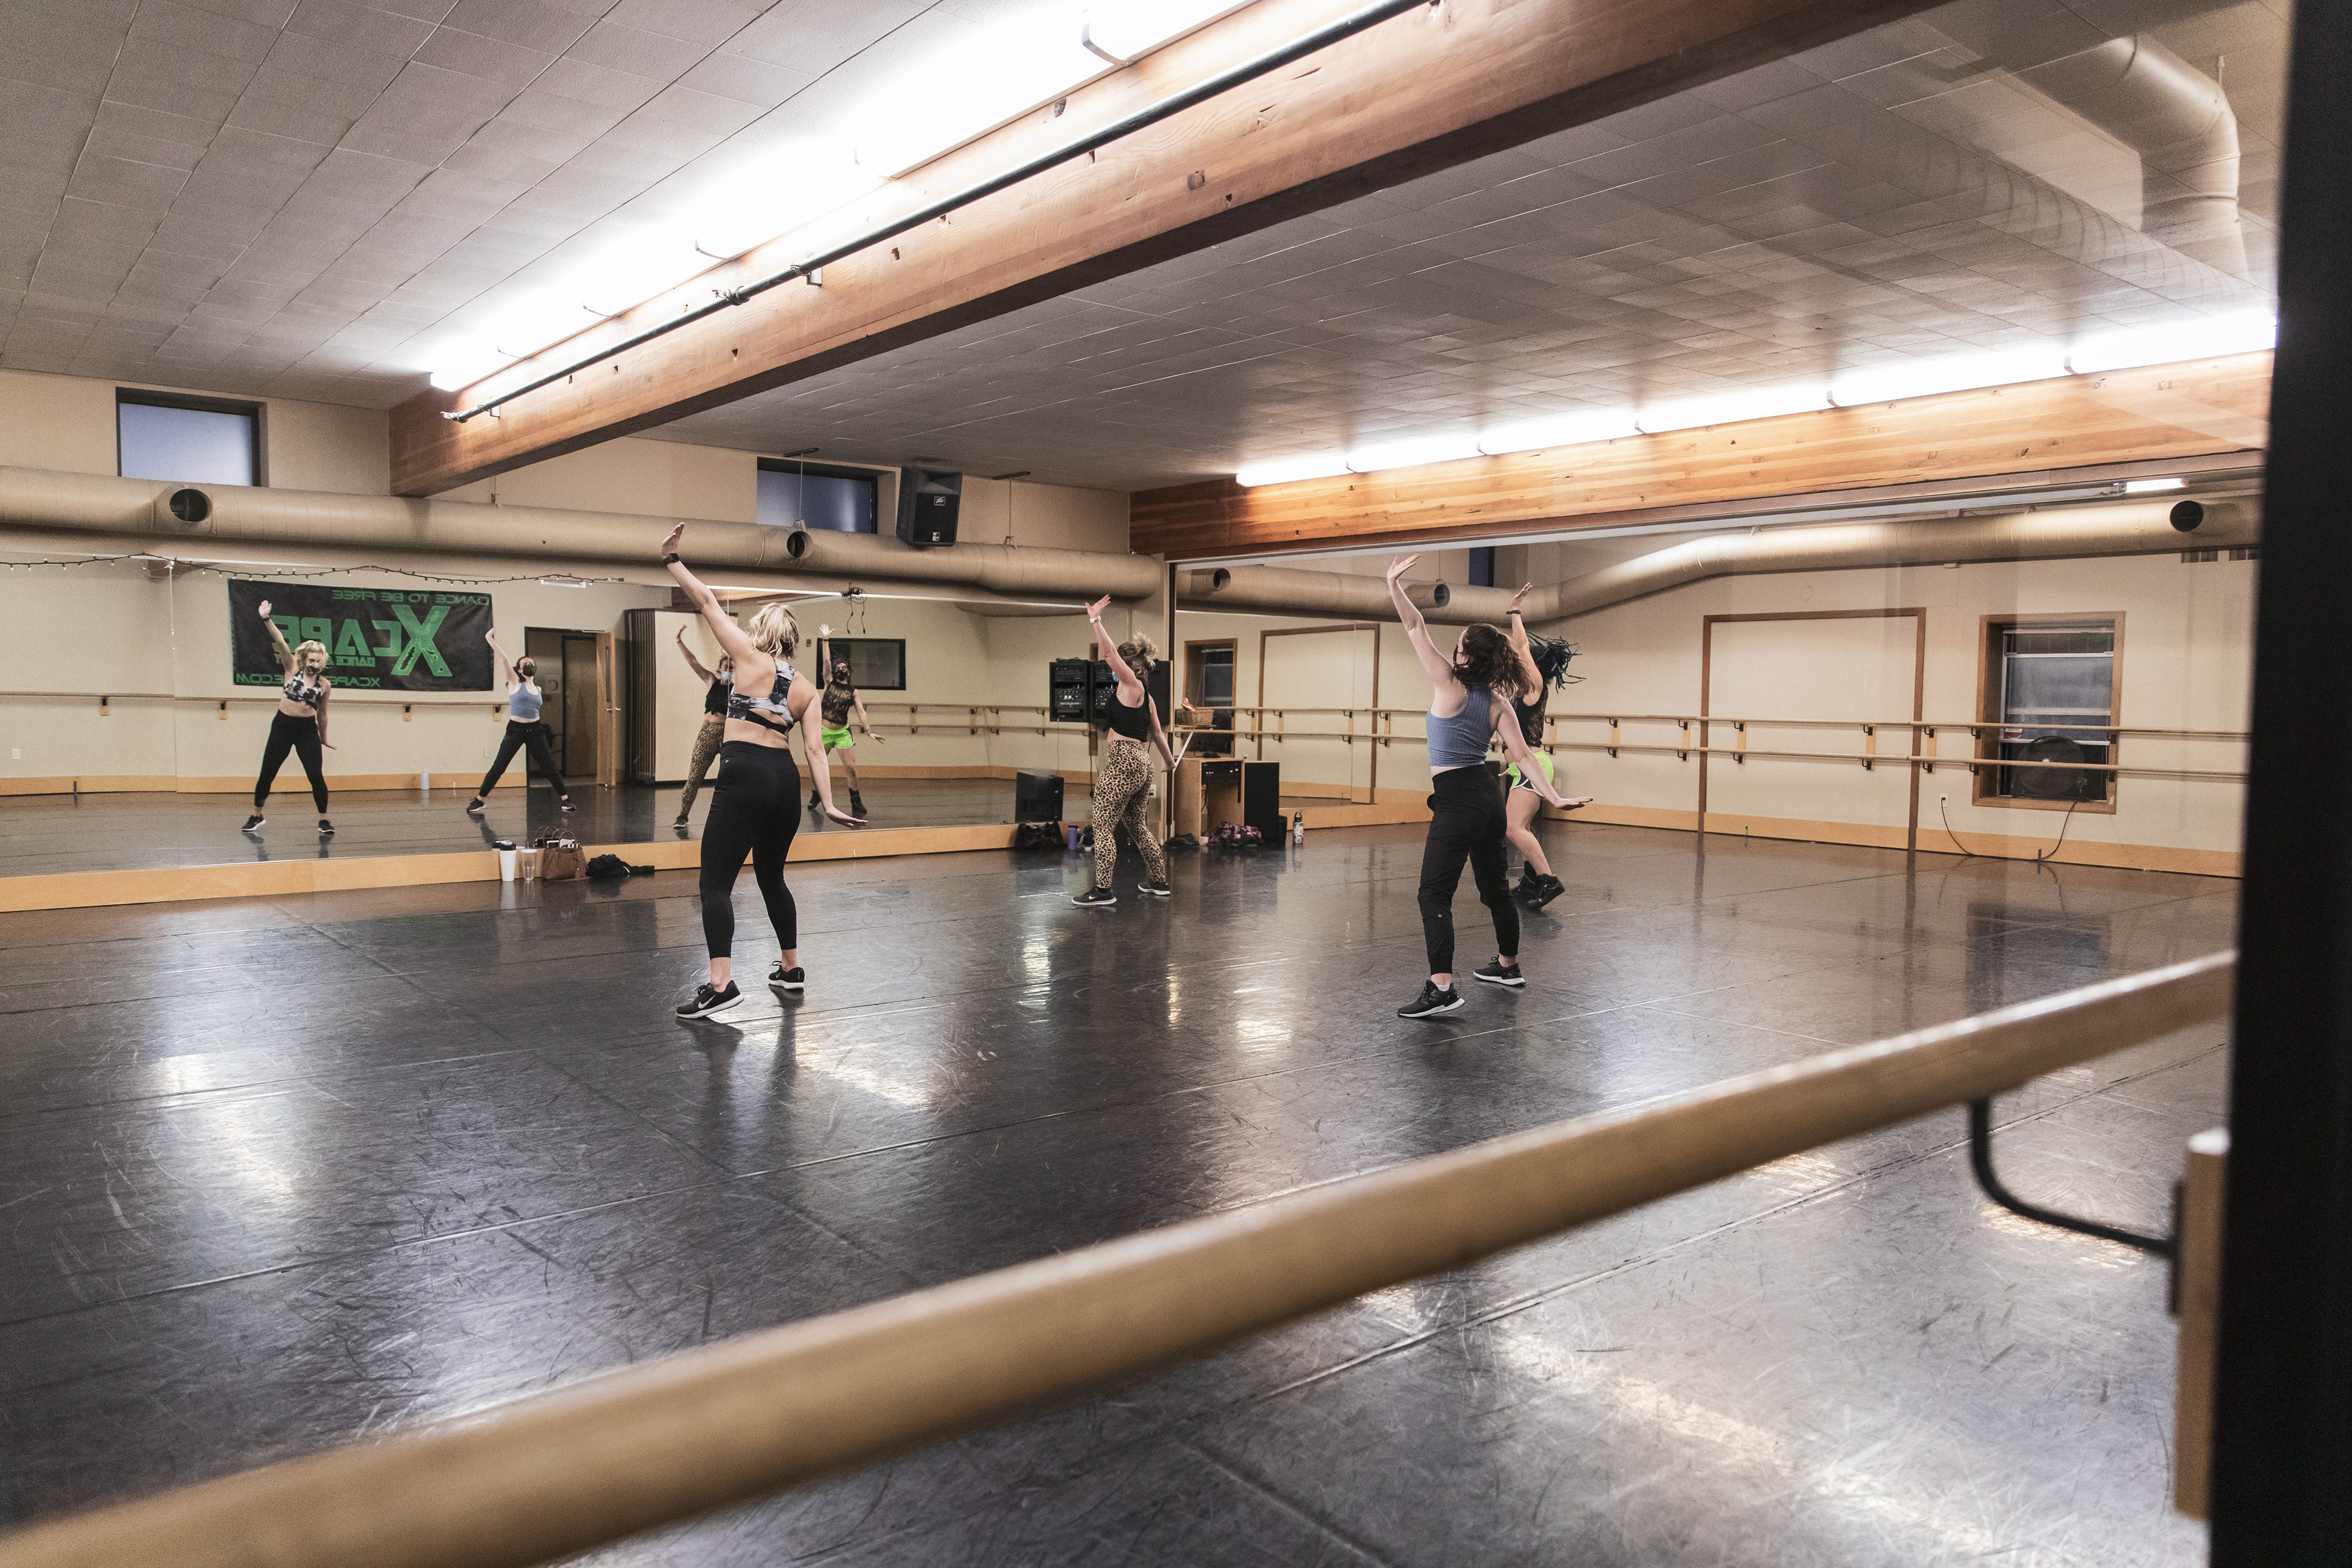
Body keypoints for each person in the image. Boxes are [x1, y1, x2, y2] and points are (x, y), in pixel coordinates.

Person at [662, 524, 862, 1019]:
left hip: (745, 774)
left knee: (715, 884)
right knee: (773, 878)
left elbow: (707, 601)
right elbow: (815, 750)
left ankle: (721, 984)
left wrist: (672, 560)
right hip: (784, 781)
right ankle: (791, 969)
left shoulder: (747, 657)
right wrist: (831, 804)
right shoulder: (808, 689)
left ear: (761, 635)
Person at [1386, 556, 1574, 1019]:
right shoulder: (1497, 702)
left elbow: (1414, 626)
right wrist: (1554, 797)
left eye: (1459, 645)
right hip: (1489, 796)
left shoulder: (1447, 684)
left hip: (1458, 800)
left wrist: (1393, 584)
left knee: (1434, 893)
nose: (1453, 649)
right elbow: (1525, 758)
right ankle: (1508, 965)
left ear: (1467, 655)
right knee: (1494, 889)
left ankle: (1442, 986)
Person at [1071, 598, 1174, 907]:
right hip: (1142, 764)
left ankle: (1103, 890)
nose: (1110, 667)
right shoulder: (1148, 697)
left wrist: (1096, 621)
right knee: (1137, 825)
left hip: (1124, 763)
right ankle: (1159, 882)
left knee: (1102, 824)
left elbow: (1108, 652)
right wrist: (1170, 764)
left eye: (1116, 664)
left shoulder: (1131, 683)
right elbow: (1157, 733)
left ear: (1128, 665)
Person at [1502, 583, 1593, 908]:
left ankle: (1548, 881)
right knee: (1522, 826)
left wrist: (1515, 611)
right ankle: (1529, 882)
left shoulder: (1534, 687)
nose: (1517, 660)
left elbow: (1522, 645)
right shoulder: (1520, 691)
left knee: (1513, 828)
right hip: (1524, 766)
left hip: (1534, 765)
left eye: (1522, 660)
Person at [243, 598, 336, 837]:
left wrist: (323, 738)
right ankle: (257, 815)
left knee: (316, 775)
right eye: (310, 659)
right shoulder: (292, 669)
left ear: (323, 662)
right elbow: (281, 642)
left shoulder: (325, 685)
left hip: (307, 730)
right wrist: (267, 619)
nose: (314, 663)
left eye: (318, 660)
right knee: (268, 772)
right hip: (282, 726)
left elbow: (323, 713)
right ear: (304, 659)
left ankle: (324, 820)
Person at [466, 630, 571, 816]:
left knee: (549, 766)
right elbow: (505, 659)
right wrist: (489, 640)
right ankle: (479, 800)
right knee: (499, 766)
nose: (530, 665)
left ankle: (565, 800)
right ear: (520, 669)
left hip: (536, 730)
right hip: (516, 730)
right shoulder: (515, 683)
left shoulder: (538, 688)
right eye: (526, 664)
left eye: (532, 663)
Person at [809, 623, 883, 820]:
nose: (840, 669)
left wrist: (869, 731)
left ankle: (856, 801)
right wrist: (825, 640)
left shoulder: (853, 692)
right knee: (817, 765)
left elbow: (861, 712)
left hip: (842, 733)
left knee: (851, 768)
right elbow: (826, 661)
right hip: (824, 731)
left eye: (844, 667)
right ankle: (816, 794)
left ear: (848, 672)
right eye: (838, 667)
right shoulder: (829, 682)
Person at [673, 627, 732, 828]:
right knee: (695, 776)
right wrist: (679, 641)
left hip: (729, 735)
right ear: (720, 668)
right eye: (726, 666)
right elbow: (693, 662)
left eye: (733, 668)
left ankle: (727, 816)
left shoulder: (741, 689)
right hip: (707, 733)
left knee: (729, 779)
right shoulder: (712, 681)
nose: (729, 670)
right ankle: (683, 814)